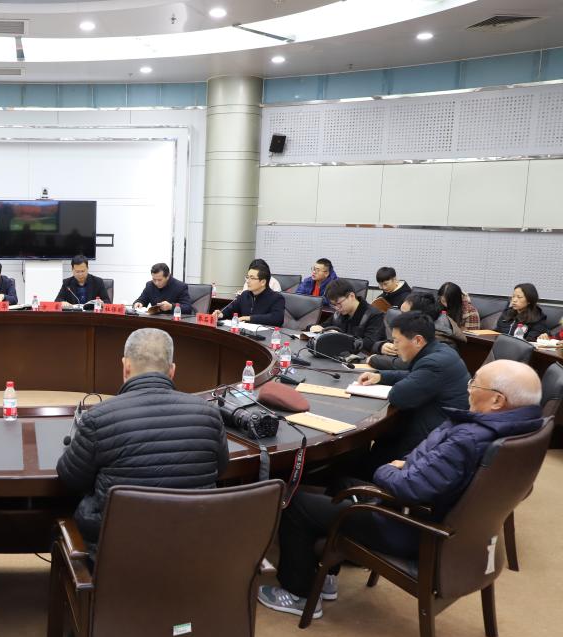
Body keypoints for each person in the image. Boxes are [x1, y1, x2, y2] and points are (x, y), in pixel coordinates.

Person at [259, 360, 543, 618]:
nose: (468, 388)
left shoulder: (468, 439)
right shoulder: (524, 429)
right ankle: (327, 576)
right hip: (449, 524)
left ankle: (298, 593)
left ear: (497, 400)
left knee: (297, 504)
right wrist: (407, 466)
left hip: (413, 528)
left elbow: (409, 488)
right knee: (342, 483)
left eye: (475, 383)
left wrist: (387, 468)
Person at [56, 328, 228, 555]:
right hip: (193, 549)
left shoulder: (98, 418)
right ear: (172, 371)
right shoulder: (210, 414)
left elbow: (71, 478)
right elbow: (221, 469)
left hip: (118, 554)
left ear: (125, 366)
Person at [356, 312, 470, 474]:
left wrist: (395, 383)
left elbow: (398, 396)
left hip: (427, 443)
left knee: (368, 457)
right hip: (440, 427)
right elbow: (414, 376)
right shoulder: (441, 350)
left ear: (418, 340)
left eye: (397, 341)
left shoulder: (433, 363)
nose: (394, 346)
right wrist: (380, 376)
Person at [367, 292, 465, 370]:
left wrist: (375, 360)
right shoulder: (417, 328)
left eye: (404, 314)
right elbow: (378, 344)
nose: (400, 317)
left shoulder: (442, 339)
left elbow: (409, 364)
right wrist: (381, 346)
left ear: (419, 316)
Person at [309, 278, 386, 352]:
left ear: (351, 296)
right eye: (333, 305)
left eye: (339, 303)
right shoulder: (339, 314)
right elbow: (325, 326)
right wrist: (314, 327)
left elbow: (370, 344)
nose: (337, 308)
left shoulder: (375, 315)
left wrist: (341, 338)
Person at [217, 259, 285, 327]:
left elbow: (277, 318)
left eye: (252, 278)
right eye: (247, 277)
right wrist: (221, 314)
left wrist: (249, 318)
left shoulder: (276, 298)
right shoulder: (245, 295)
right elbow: (231, 308)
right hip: (244, 331)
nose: (248, 281)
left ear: (263, 282)